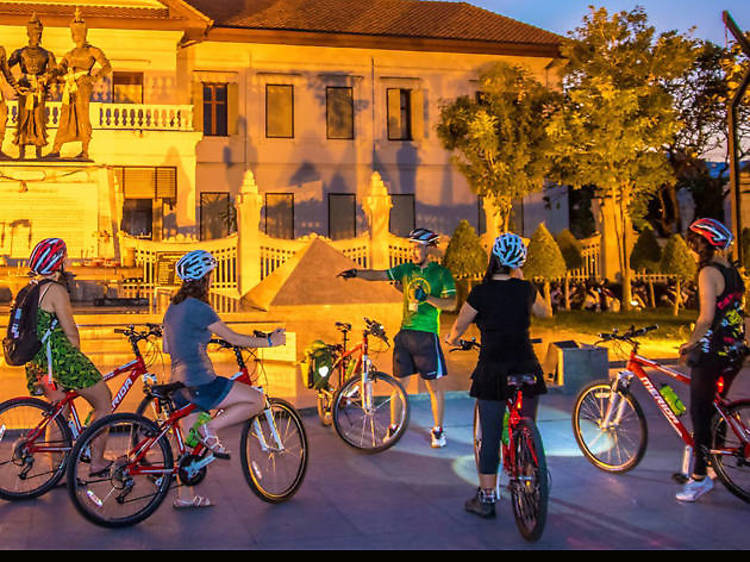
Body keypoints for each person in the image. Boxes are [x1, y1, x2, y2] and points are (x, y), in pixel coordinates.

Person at [162, 249, 285, 509]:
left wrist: (198, 338)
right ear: (205, 277)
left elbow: (166, 345)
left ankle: (185, 497)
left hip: (178, 383)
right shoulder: (201, 308)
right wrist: (270, 341)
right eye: (211, 275)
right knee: (257, 400)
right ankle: (211, 428)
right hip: (201, 381)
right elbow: (234, 338)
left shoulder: (174, 307)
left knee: (190, 446)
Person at [446, 232, 551, 518]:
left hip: (493, 371)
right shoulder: (526, 289)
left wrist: (452, 339)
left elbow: (458, 327)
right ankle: (530, 480)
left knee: (490, 436)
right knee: (525, 428)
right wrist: (524, 276)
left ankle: (487, 497)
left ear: (494, 258)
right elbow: (545, 313)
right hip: (527, 369)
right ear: (519, 261)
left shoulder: (480, 293)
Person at [339, 228, 456, 447]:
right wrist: (356, 273)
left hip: (427, 335)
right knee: (398, 385)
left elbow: (451, 304)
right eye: (412, 247)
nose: (414, 252)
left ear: (429, 249)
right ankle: (394, 426)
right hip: (405, 335)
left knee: (433, 387)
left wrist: (428, 297)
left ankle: (438, 431)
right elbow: (380, 274)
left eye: (419, 247)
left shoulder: (441, 274)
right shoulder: (406, 269)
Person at [23, 238, 112, 475]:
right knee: (104, 402)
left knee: (58, 412)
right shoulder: (55, 290)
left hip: (39, 363)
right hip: (60, 361)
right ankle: (97, 462)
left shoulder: (29, 289)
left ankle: (58, 472)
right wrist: (78, 359)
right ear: (58, 262)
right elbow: (70, 330)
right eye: (64, 258)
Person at [678, 218, 747, 502]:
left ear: (703, 243)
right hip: (734, 350)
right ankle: (714, 466)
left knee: (700, 415)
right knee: (717, 411)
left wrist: (689, 344)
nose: (692, 249)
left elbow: (705, 318)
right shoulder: (733, 271)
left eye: (694, 243)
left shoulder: (708, 272)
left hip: (712, 354)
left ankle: (698, 478)